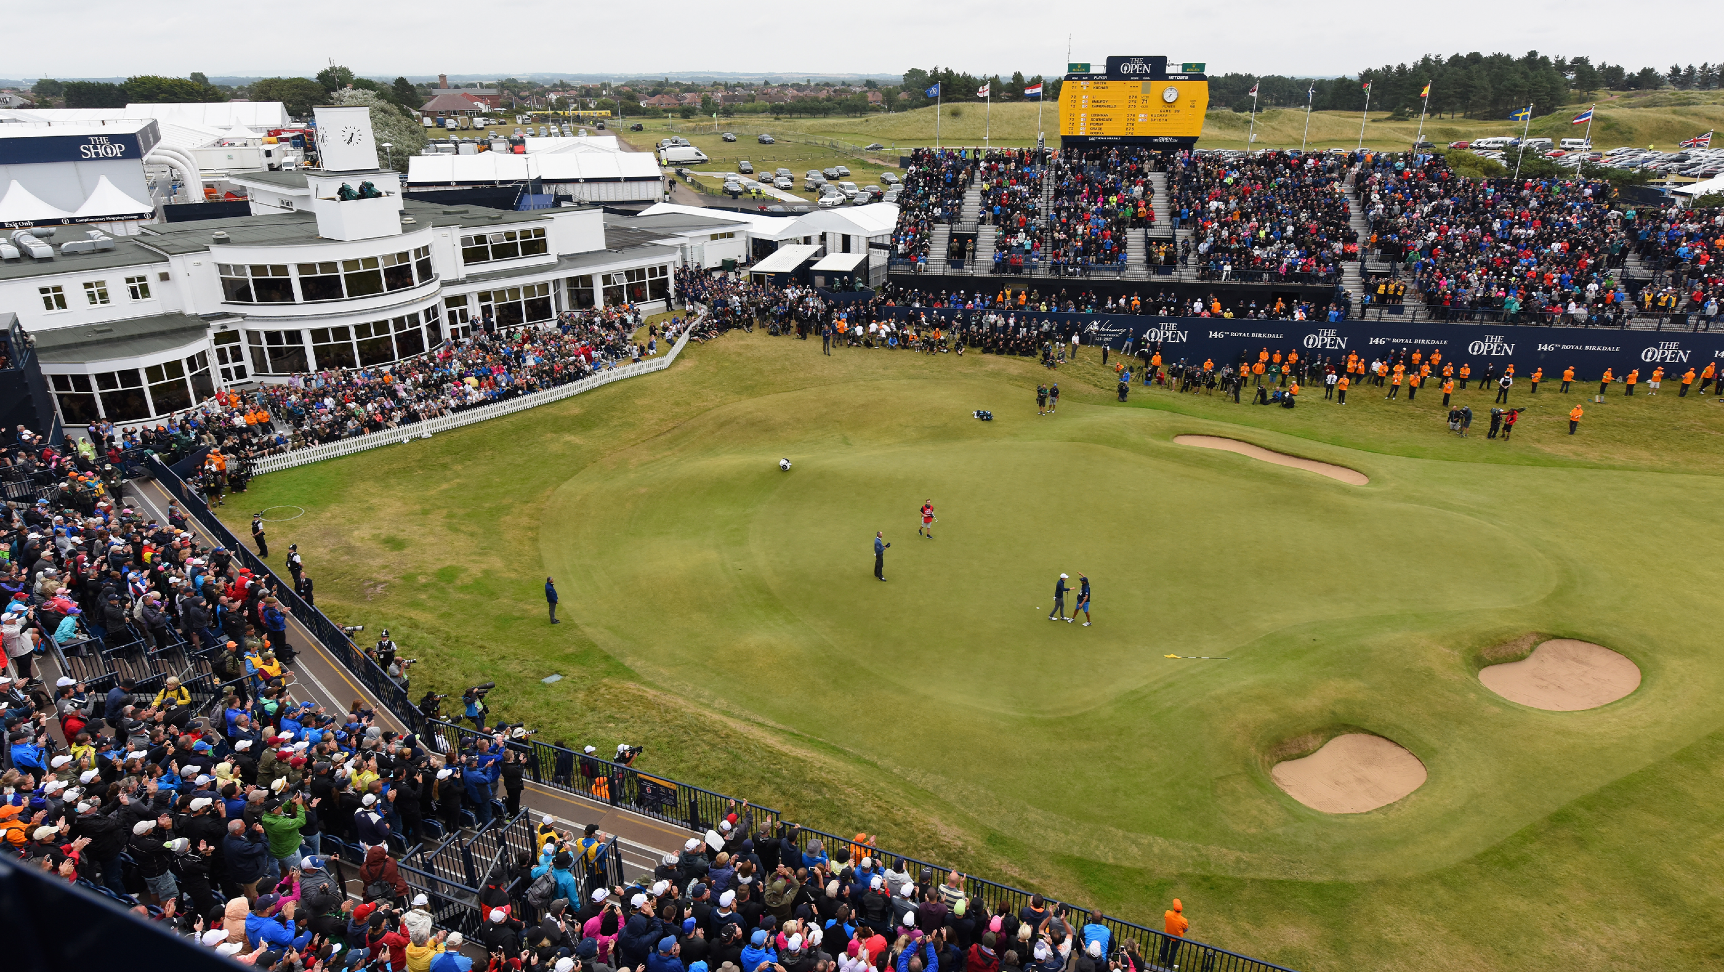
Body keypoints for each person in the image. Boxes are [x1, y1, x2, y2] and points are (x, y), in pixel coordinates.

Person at [1160, 900, 1189, 969]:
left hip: (1167, 934)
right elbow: (1185, 929)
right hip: (1177, 938)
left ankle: (1162, 959)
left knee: (1165, 946)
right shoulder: (1183, 920)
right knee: (1173, 951)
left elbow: (1166, 918)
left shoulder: (1168, 913)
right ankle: (1170, 965)